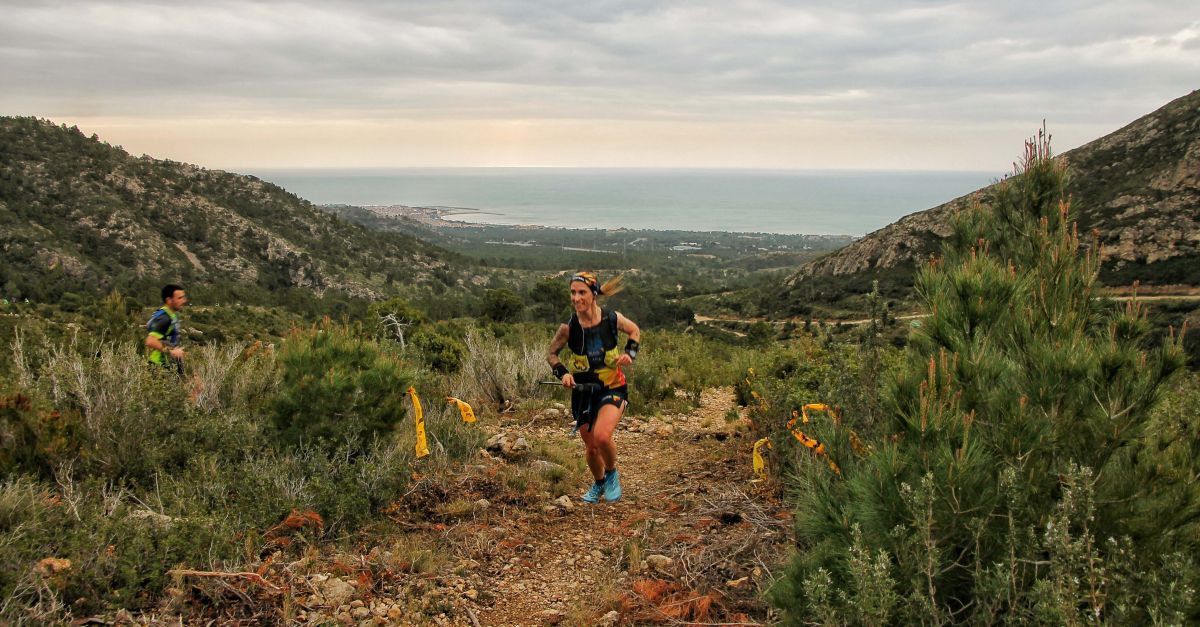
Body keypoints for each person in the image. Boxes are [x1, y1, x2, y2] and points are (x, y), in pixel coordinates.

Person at [546, 271, 640, 503]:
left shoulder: (611, 319)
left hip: (612, 388)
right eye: (573, 293)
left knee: (602, 437)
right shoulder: (569, 328)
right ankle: (598, 484)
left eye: (582, 293)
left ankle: (611, 474)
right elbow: (551, 355)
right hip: (583, 393)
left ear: (594, 294)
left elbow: (634, 331)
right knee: (591, 449)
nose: (576, 298)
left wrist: (630, 353)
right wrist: (564, 373)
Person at [146, 284, 187, 374]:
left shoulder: (172, 315)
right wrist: (171, 352)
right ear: (169, 300)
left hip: (170, 366)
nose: (184, 301)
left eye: (183, 297)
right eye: (179, 298)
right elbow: (150, 341)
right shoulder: (164, 318)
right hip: (159, 368)